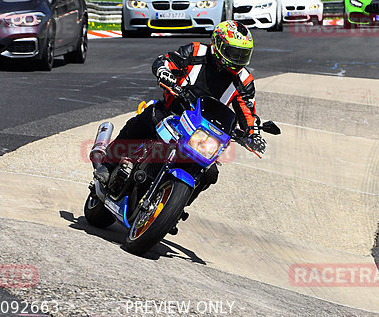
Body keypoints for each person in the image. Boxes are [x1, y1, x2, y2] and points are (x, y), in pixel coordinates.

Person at [94, 20, 265, 206]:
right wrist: (164, 72)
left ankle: (176, 205)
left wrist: (252, 134)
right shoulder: (195, 51)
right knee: (145, 121)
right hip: (172, 112)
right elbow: (165, 61)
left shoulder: (244, 80)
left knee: (210, 173)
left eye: (243, 54)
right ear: (218, 45)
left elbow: (247, 111)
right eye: (234, 53)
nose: (238, 59)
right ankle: (109, 164)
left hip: (204, 132)